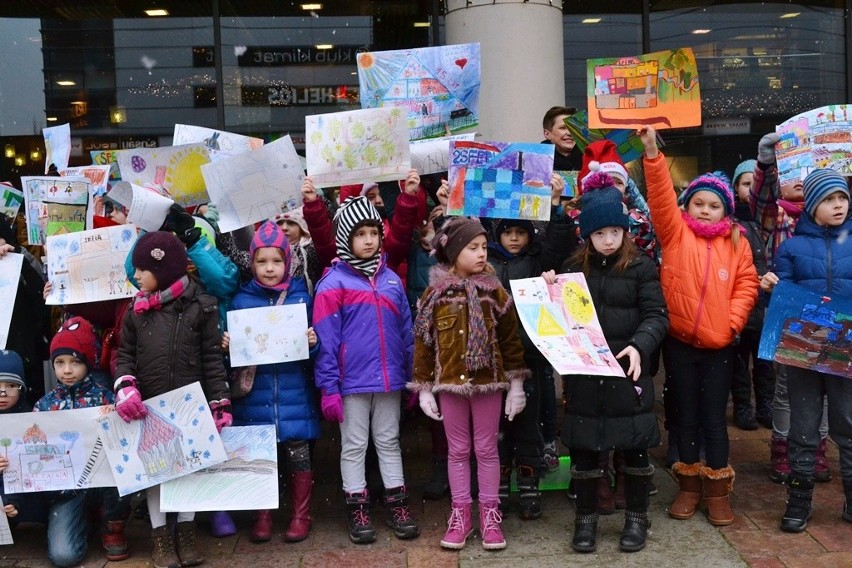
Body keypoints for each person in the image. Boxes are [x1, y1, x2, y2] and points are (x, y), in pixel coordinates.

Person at [640, 126, 758, 527]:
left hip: (719, 344)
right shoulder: (675, 234)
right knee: (684, 416)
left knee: (714, 418)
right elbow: (658, 196)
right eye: (699, 204)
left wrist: (731, 324)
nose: (705, 211)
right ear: (687, 206)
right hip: (680, 343)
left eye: (714, 206)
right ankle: (689, 487)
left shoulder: (738, 242)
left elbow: (747, 285)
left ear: (726, 211)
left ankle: (718, 491)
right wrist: (652, 152)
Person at [544, 171, 668, 553]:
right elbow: (557, 315)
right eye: (600, 234)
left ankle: (636, 517)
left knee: (634, 449)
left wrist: (639, 346)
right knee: (584, 453)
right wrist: (549, 287)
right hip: (585, 375)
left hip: (626, 373)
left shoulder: (641, 267)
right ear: (588, 235)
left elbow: (656, 315)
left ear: (625, 230)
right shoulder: (573, 268)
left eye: (615, 231)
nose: (609, 240)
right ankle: (585, 521)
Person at [410, 217, 530, 551]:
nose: (481, 253)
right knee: (458, 450)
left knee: (487, 449)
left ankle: (490, 514)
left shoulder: (494, 290)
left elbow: (510, 341)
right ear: (452, 252)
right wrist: (422, 389)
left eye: (482, 247)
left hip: (488, 384)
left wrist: (516, 384)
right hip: (450, 386)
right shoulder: (434, 294)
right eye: (472, 247)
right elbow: (423, 343)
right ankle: (461, 513)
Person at [114, 230, 231, 568]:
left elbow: (212, 358)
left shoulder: (202, 307)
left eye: (141, 269)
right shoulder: (135, 311)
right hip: (150, 406)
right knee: (156, 473)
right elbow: (125, 355)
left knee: (190, 470)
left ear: (163, 270)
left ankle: (187, 532)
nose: (135, 276)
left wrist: (219, 402)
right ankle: (161, 538)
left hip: (189, 405)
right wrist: (126, 387)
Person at [312, 196, 419, 544]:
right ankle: (356, 506)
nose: (370, 240)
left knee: (388, 441)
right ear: (346, 238)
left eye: (374, 231)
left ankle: (397, 502)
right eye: (361, 234)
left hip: (389, 379)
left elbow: (406, 331)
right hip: (351, 382)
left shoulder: (391, 281)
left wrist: (413, 376)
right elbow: (326, 342)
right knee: (354, 444)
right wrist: (329, 387)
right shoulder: (332, 285)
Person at [760, 169, 852, 532]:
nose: (839, 205)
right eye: (829, 199)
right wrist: (772, 286)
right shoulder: (791, 248)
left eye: (842, 197)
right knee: (803, 428)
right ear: (813, 205)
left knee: (848, 426)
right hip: (804, 352)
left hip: (846, 352)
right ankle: (799, 502)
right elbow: (783, 295)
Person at [227, 220, 320, 543]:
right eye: (262, 261)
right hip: (257, 398)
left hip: (294, 394)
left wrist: (312, 341)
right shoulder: (240, 302)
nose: (269, 268)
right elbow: (233, 361)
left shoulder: (300, 299)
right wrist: (229, 346)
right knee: (261, 457)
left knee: (299, 455)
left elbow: (314, 349)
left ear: (288, 262)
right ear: (251, 263)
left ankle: (300, 515)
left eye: (277, 261)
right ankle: (262, 515)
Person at [750, 133, 832, 483]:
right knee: (786, 385)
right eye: (792, 171)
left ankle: (818, 449)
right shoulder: (778, 216)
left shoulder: (836, 218)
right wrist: (766, 165)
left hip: (831, 312)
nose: (800, 178)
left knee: (830, 377)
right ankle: (784, 447)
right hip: (789, 310)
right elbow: (760, 204)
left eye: (809, 170)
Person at [34, 318, 131, 566]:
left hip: (103, 483)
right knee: (64, 556)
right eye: (59, 362)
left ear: (88, 363)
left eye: (75, 362)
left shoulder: (106, 399)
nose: (67, 370)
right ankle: (83, 521)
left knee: (121, 477)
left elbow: (125, 443)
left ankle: (112, 526)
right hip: (67, 490)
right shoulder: (42, 407)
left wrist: (114, 421)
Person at [487, 217, 547, 520]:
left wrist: (554, 207)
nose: (513, 238)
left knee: (527, 424)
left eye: (520, 232)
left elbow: (557, 245)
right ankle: (497, 482)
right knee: (497, 426)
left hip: (529, 355)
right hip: (494, 356)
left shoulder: (537, 259)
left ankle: (528, 482)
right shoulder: (487, 261)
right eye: (507, 232)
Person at [730, 159, 774, 430]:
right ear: (736, 188)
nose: (751, 189)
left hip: (766, 304)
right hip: (741, 304)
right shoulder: (731, 222)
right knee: (739, 360)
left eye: (755, 184)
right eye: (746, 183)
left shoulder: (768, 219)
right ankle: (743, 405)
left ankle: (765, 404)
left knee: (765, 361)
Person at [0, 350, 46, 528]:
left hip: (29, 494)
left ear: (22, 388)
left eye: (11, 385)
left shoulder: (32, 419)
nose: (3, 393)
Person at [275, 207, 323, 295]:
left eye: (291, 223)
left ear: (302, 227)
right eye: (279, 223)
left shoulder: (312, 249)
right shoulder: (266, 251)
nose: (284, 228)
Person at [542, 106, 582, 170]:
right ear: (547, 134)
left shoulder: (591, 159)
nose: (569, 133)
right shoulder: (536, 161)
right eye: (563, 128)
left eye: (573, 128)